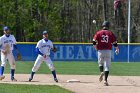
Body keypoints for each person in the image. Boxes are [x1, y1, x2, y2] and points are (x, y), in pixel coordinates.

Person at [92, 21, 119, 86]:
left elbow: (93, 42)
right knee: (107, 66)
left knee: (100, 63)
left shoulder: (98, 33)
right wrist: (117, 49)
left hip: (100, 51)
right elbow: (115, 43)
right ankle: (105, 81)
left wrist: (95, 47)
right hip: (108, 51)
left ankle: (101, 72)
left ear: (102, 25)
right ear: (108, 26)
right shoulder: (110, 33)